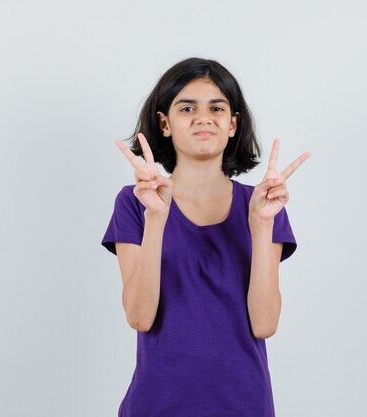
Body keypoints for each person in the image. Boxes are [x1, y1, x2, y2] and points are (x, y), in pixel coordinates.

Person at [101, 57, 311, 417]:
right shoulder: (135, 203)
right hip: (156, 404)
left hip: (244, 405)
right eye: (187, 107)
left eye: (216, 107)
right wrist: (156, 218)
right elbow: (139, 317)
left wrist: (261, 225)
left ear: (232, 124)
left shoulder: (263, 205)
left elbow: (264, 324)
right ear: (164, 124)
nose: (203, 117)